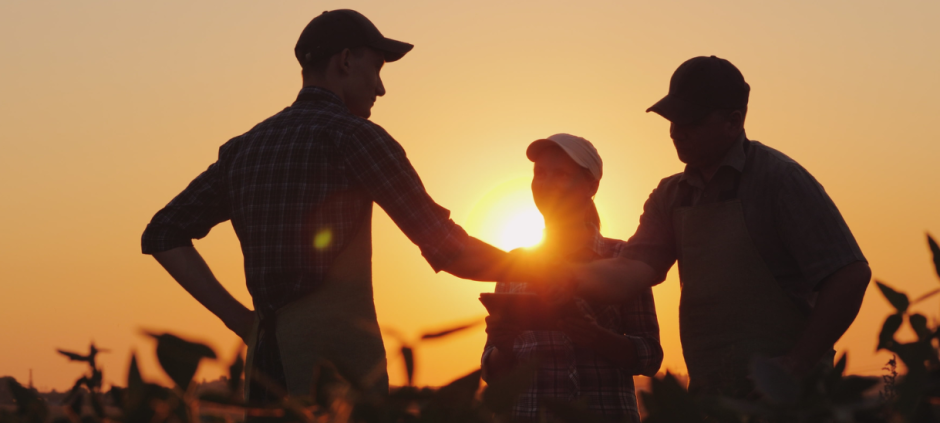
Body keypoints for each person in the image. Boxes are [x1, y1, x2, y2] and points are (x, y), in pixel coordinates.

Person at [140, 9, 542, 404]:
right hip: (339, 385)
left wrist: (241, 321)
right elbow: (450, 250)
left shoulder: (244, 149)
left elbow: (163, 233)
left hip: (263, 374)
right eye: (377, 68)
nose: (381, 88)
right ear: (346, 61)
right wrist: (548, 272)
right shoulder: (355, 138)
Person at [566, 56, 872, 397]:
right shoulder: (671, 196)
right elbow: (631, 270)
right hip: (712, 398)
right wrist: (555, 275)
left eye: (691, 120)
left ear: (733, 121)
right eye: (672, 119)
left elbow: (849, 275)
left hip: (791, 403)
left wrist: (797, 365)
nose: (677, 130)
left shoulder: (780, 181)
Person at [481, 134, 662, 422]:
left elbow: (651, 356)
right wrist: (503, 345)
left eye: (561, 174)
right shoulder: (514, 263)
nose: (547, 183)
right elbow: (491, 370)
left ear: (591, 186)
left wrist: (597, 338)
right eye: (540, 173)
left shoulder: (623, 258)